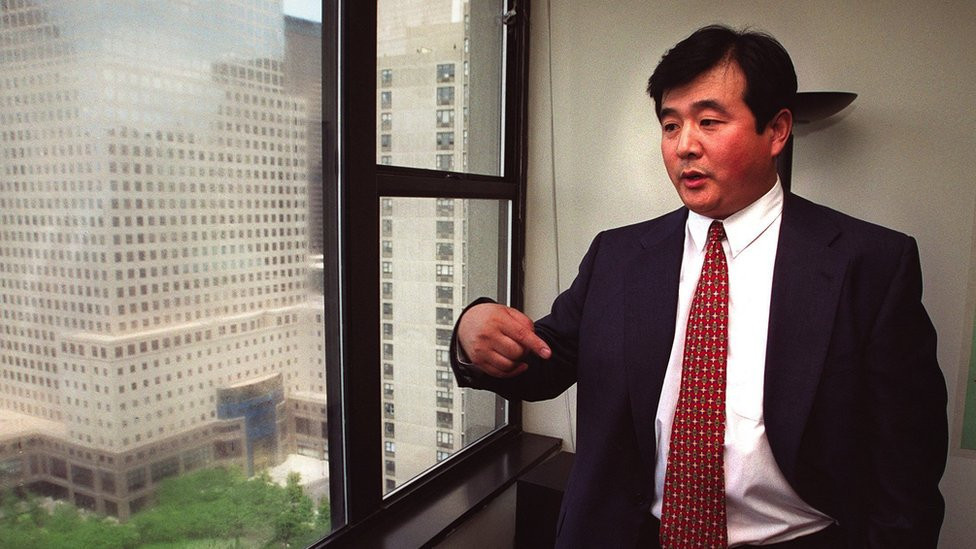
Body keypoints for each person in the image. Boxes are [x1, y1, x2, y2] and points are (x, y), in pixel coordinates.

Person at [451, 24, 948, 549]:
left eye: (709, 121)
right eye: (670, 126)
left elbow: (907, 471)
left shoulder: (869, 264)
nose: (685, 145)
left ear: (776, 130)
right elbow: (543, 361)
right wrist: (473, 332)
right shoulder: (617, 256)